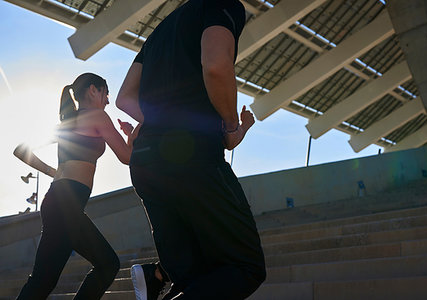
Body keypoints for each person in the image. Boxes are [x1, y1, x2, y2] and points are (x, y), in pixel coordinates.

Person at [116, 0, 266, 299]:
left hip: (146, 162)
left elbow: (125, 98)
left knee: (194, 277)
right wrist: (229, 124)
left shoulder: (162, 28)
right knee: (245, 267)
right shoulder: (222, 6)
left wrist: (163, 123)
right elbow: (215, 66)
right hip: (191, 159)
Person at [14, 73, 140, 300]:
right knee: (107, 264)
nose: (108, 101)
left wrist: (55, 173)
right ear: (93, 90)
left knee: (44, 279)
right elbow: (127, 156)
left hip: (57, 200)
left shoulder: (67, 122)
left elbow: (20, 150)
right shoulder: (98, 117)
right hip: (66, 205)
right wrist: (132, 134)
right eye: (106, 93)